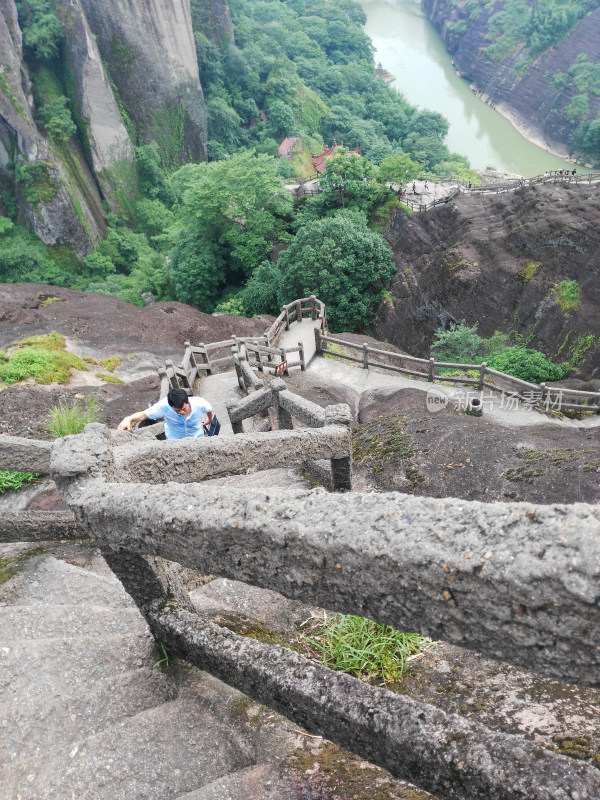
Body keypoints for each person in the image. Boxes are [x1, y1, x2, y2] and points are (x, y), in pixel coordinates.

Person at [117, 387, 216, 439]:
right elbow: (144, 414)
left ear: (187, 401)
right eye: (177, 410)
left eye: (183, 409)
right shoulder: (164, 406)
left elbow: (209, 409)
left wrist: (209, 420)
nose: (181, 412)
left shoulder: (199, 403)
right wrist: (129, 419)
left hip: (196, 436)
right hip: (174, 439)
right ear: (171, 406)